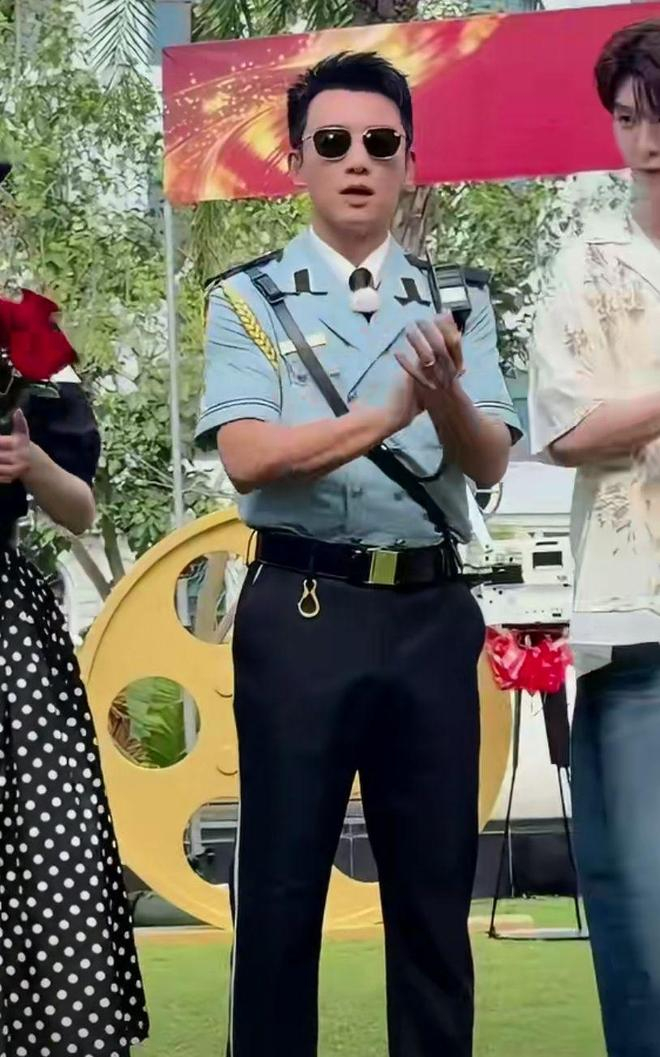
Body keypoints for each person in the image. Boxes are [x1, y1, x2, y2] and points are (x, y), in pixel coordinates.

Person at [196, 52, 520, 1057]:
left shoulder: (456, 298)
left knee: (433, 896)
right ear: (295, 160)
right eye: (332, 141)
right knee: (281, 892)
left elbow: (491, 457)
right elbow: (248, 456)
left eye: (382, 143)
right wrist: (387, 412)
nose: (357, 161)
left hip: (429, 612)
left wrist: (447, 395)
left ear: (410, 163)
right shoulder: (250, 300)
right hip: (303, 607)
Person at [529, 20, 660, 1057]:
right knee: (642, 925)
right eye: (627, 118)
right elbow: (566, 431)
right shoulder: (585, 263)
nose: (647, 142)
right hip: (636, 625)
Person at [0, 277, 149, 1051]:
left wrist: (29, 461)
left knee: (43, 842)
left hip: (9, 639)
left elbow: (79, 509)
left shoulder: (28, 370)